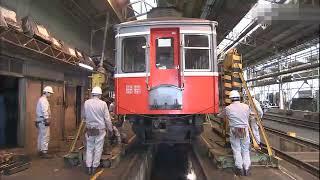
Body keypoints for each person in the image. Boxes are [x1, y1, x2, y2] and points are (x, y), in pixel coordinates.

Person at [83, 86, 113, 175]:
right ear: (100, 95)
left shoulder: (86, 103)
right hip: (100, 130)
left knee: (89, 148)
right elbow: (107, 118)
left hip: (90, 129)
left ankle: (88, 166)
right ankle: (94, 167)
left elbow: (83, 116)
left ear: (92, 94)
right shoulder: (103, 104)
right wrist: (110, 129)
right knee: (98, 148)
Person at [225, 90, 251, 176]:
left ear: (230, 99)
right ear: (239, 98)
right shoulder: (246, 106)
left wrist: (217, 115)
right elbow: (247, 116)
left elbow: (222, 115)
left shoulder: (228, 108)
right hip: (244, 130)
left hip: (234, 130)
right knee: (245, 149)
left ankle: (239, 168)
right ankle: (247, 168)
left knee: (236, 149)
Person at [35, 86, 54, 158]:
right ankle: (44, 152)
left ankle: (40, 150)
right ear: (46, 92)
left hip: (40, 120)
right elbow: (44, 111)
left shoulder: (41, 99)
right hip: (43, 121)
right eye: (50, 93)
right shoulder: (44, 100)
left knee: (41, 136)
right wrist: (47, 119)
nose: (50, 94)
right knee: (45, 136)